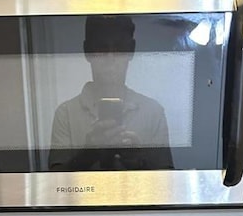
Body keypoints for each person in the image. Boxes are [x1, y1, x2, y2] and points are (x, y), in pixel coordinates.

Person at [48, 15, 173, 171]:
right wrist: (88, 153)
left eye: (119, 48)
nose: (110, 58)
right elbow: (55, 184)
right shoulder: (65, 114)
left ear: (131, 50)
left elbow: (167, 183)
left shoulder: (154, 112)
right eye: (101, 48)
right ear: (87, 51)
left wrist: (138, 161)